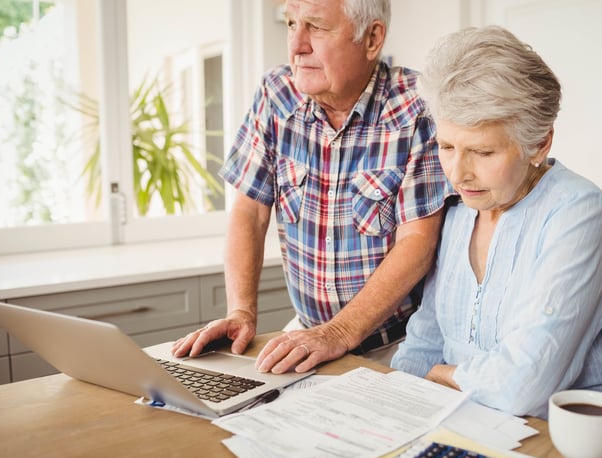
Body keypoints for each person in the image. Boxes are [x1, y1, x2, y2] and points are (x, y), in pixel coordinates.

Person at [390, 26, 602, 454]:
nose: (457, 173)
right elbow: (426, 338)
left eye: (483, 152)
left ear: (538, 142)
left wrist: (446, 375)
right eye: (447, 146)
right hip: (472, 424)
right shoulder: (460, 211)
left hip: (575, 442)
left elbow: (525, 383)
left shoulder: (578, 211)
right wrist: (399, 394)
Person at [172, 0, 450, 373]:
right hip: (308, 335)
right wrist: (241, 312)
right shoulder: (276, 93)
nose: (297, 45)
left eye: (316, 28)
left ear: (371, 38)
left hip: (395, 345)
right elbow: (249, 211)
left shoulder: (418, 106)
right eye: (290, 24)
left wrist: (340, 331)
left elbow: (418, 241)